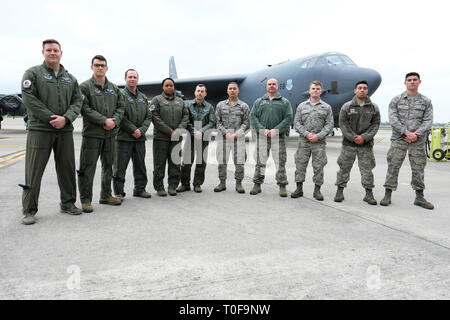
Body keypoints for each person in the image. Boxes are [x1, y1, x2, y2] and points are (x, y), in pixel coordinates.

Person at [20, 39, 82, 225]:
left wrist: (66, 118)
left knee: (67, 168)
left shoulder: (70, 79)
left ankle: (68, 203)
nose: (53, 53)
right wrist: (50, 118)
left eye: (56, 50)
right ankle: (29, 210)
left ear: (61, 53)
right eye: (49, 50)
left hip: (64, 130)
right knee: (34, 170)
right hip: (40, 129)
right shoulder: (33, 73)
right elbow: (29, 98)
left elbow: (77, 101)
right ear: (43, 53)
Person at [78, 55, 125, 213]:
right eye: (96, 65)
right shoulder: (84, 87)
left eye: (102, 65)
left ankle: (106, 195)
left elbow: (121, 107)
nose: (99, 67)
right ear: (92, 67)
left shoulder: (114, 88)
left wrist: (114, 121)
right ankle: (85, 200)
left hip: (110, 135)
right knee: (87, 167)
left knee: (108, 166)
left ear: (106, 68)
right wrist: (104, 121)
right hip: (92, 134)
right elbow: (84, 108)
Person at [380, 72, 434, 209]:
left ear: (419, 82)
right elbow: (393, 119)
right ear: (405, 83)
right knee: (393, 166)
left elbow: (428, 120)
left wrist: (417, 134)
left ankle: (419, 197)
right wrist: (406, 132)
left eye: (414, 80)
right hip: (399, 139)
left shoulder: (426, 101)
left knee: (418, 168)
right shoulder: (396, 100)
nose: (412, 82)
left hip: (418, 141)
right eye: (409, 80)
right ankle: (387, 194)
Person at [334, 81, 380, 205]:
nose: (362, 90)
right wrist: (353, 137)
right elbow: (343, 124)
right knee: (344, 168)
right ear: (355, 90)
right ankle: (339, 191)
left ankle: (369, 194)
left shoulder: (373, 107)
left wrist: (364, 138)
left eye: (365, 88)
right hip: (349, 144)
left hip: (366, 145)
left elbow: (375, 125)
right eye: (359, 88)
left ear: (367, 91)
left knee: (367, 170)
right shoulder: (347, 106)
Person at [113, 69, 152, 201]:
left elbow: (149, 116)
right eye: (130, 77)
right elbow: (120, 115)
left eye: (134, 77)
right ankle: (118, 192)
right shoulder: (120, 95)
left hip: (139, 138)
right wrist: (132, 129)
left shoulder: (143, 97)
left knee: (140, 165)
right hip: (123, 138)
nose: (132, 79)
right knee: (119, 167)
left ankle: (140, 189)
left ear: (138, 79)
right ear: (125, 79)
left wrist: (141, 130)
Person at [249, 78, 293, 197]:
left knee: (280, 162)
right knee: (260, 161)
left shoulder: (284, 102)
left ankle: (282, 186)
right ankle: (257, 184)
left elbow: (289, 118)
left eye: (274, 84)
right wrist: (262, 130)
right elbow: (253, 117)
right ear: (266, 87)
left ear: (277, 86)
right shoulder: (259, 101)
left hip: (278, 138)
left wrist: (276, 130)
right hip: (262, 137)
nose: (271, 86)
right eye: (269, 84)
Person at [292, 81, 333, 200]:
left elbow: (329, 125)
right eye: (313, 88)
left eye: (318, 88)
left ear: (321, 91)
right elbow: (297, 123)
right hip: (303, 141)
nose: (315, 90)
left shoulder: (326, 107)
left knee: (319, 166)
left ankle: (317, 191)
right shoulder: (301, 106)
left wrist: (318, 136)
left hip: (319, 143)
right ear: (309, 91)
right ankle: (299, 189)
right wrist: (307, 134)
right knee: (300, 165)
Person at [151, 78, 189, 196]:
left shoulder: (180, 101)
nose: (169, 87)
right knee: (159, 163)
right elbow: (154, 117)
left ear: (174, 87)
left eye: (171, 85)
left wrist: (178, 130)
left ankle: (172, 186)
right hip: (161, 138)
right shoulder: (156, 100)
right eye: (166, 85)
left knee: (175, 163)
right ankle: (159, 187)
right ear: (163, 87)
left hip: (176, 138)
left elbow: (185, 116)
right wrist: (169, 131)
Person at [177, 84, 215, 193]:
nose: (200, 93)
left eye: (202, 91)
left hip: (203, 137)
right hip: (191, 136)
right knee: (187, 161)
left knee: (201, 161)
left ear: (205, 94)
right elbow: (186, 119)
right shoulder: (188, 105)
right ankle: (185, 184)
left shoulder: (209, 107)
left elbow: (212, 122)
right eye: (198, 91)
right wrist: (194, 131)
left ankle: (197, 184)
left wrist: (201, 131)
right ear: (195, 92)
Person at [214, 82, 250, 193]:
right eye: (230, 88)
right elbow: (217, 122)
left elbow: (246, 123)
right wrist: (226, 133)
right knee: (222, 161)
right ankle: (222, 183)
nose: (232, 90)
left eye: (234, 88)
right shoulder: (220, 105)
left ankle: (238, 184)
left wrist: (236, 134)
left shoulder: (244, 106)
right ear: (227, 91)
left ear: (238, 91)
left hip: (238, 138)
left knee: (239, 162)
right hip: (224, 138)